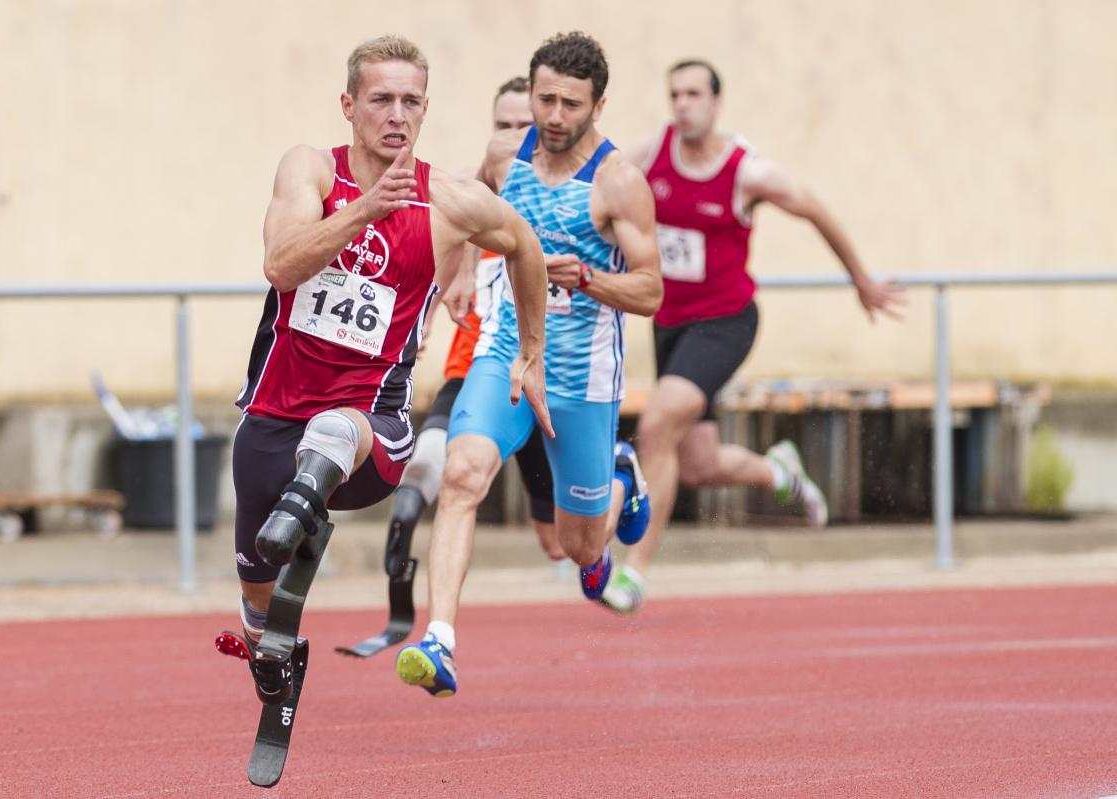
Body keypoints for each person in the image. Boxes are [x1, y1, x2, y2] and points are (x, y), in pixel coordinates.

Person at [216, 35, 553, 704]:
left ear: (425, 109)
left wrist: (530, 349)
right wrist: (366, 209)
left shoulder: (449, 200)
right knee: (257, 589)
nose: (397, 115)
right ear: (349, 105)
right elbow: (281, 264)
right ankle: (272, 645)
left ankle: (307, 500)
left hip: (372, 430)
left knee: (336, 431)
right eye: (381, 100)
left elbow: (524, 245)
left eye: (411, 101)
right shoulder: (309, 170)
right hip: (273, 418)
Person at [395, 32, 661, 699]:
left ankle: (621, 478)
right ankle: (440, 640)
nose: (553, 115)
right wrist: (454, 277)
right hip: (505, 356)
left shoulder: (618, 183)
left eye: (571, 104)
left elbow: (652, 291)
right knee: (461, 474)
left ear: (598, 105)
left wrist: (591, 279)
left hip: (582, 381)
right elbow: (462, 216)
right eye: (545, 98)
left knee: (579, 548)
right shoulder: (502, 156)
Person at [601, 59, 906, 614]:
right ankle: (780, 471)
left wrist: (861, 280)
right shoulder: (649, 155)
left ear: (717, 103)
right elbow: (592, 187)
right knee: (697, 464)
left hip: (725, 321)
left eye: (695, 94)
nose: (684, 104)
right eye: (676, 94)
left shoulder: (747, 172)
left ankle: (634, 573)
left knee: (657, 424)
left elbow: (815, 209)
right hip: (670, 324)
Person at [384, 76, 566, 581]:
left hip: (550, 380)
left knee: (557, 543)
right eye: (501, 126)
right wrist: (417, 326)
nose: (510, 138)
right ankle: (404, 538)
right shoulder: (467, 198)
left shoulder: (570, 202)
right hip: (478, 371)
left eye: (522, 127)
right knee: (438, 461)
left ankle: (618, 463)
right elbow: (429, 275)